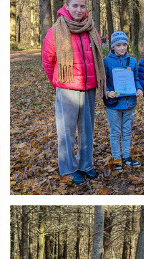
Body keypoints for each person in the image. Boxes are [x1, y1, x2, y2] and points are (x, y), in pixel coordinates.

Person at [40, 0, 105, 184]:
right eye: (75, 5)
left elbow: (97, 57)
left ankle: (86, 165)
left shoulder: (91, 29)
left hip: (89, 87)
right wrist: (59, 84)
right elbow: (48, 61)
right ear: (66, 7)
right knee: (66, 132)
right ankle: (69, 168)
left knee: (87, 130)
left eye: (82, 6)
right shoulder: (55, 31)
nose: (79, 10)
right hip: (67, 88)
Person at [102, 31, 143, 171]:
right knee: (115, 132)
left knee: (127, 131)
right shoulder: (106, 62)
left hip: (130, 102)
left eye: (124, 45)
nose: (122, 48)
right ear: (112, 46)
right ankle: (117, 158)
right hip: (114, 105)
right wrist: (108, 92)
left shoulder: (132, 61)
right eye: (118, 45)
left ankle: (126, 156)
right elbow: (103, 81)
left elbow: (136, 78)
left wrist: (139, 89)